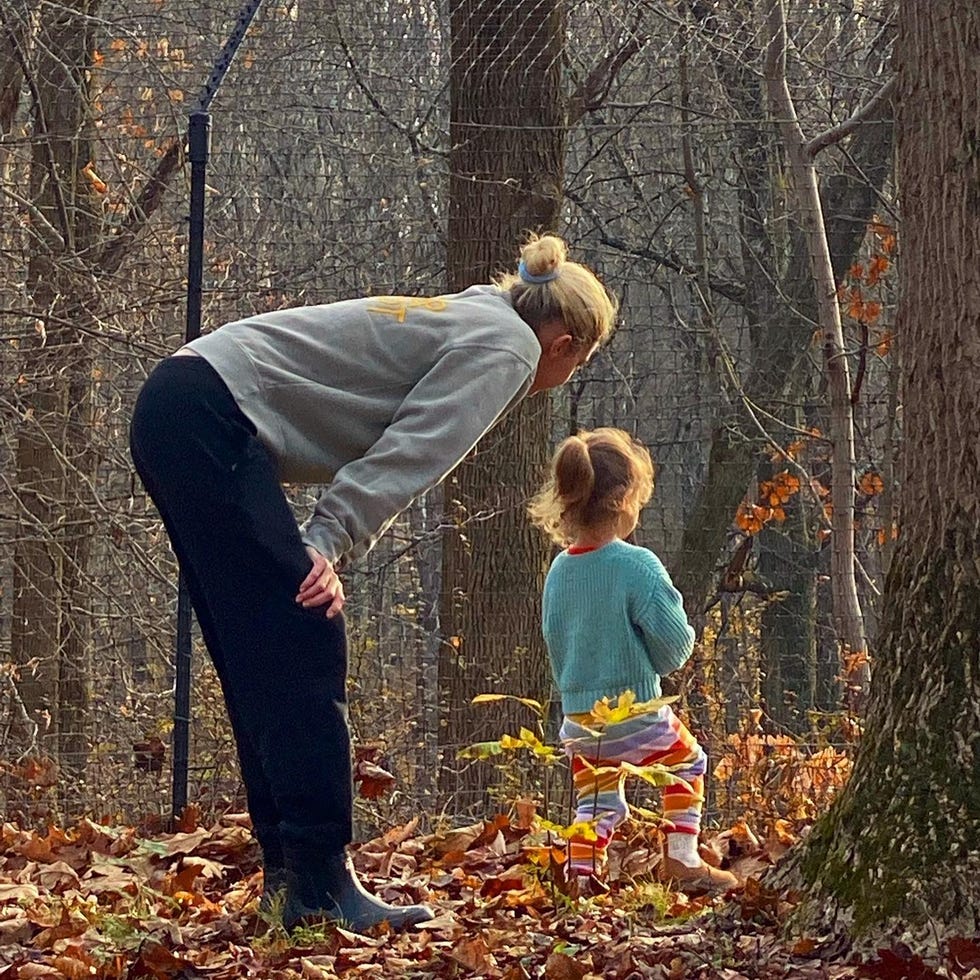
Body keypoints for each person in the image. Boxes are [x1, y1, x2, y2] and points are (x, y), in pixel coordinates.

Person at [129, 234, 616, 931]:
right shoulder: (507, 347)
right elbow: (407, 456)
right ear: (565, 344)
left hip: (180, 401)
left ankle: (290, 877)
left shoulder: (479, 313)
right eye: (579, 363)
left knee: (261, 652)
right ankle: (320, 887)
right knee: (305, 630)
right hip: (208, 414)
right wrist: (325, 542)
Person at [528, 428, 739, 894]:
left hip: (579, 721)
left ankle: (582, 877)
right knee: (689, 763)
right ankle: (682, 859)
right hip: (635, 714)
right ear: (622, 498)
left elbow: (558, 640)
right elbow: (672, 651)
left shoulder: (560, 570)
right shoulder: (638, 566)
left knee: (597, 804)